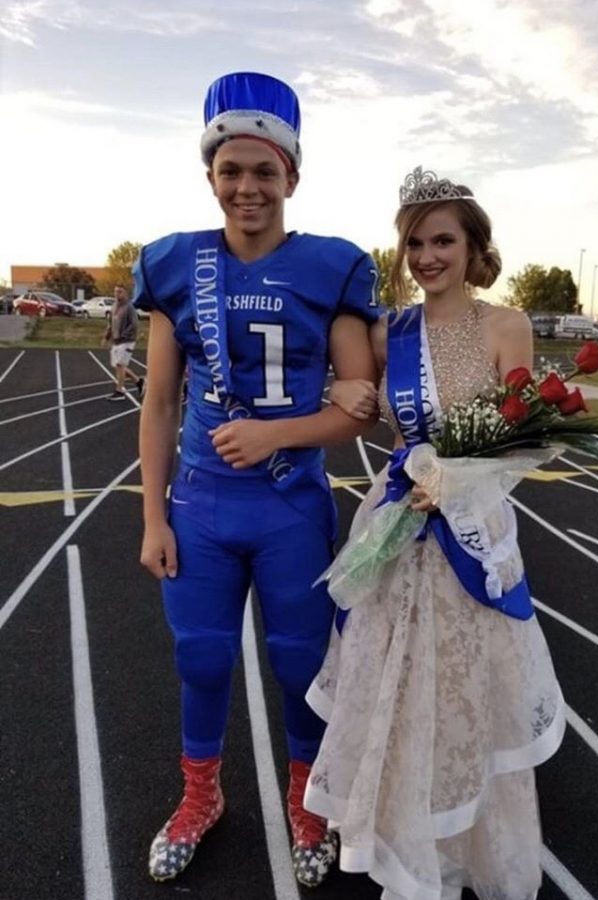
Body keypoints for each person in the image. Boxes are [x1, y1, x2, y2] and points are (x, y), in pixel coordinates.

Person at [134, 71, 379, 887]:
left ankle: (307, 800)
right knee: (201, 659)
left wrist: (276, 431)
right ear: (210, 176)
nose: (247, 187)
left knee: (301, 662)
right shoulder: (174, 265)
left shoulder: (334, 267)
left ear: (292, 178)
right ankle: (200, 796)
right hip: (200, 503)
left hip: (288, 501)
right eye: (231, 171)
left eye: (264, 172)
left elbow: (359, 408)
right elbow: (161, 400)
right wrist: (153, 518)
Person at [304, 166, 565, 900]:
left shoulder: (507, 324)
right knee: (393, 688)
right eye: (415, 242)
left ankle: (462, 845)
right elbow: (350, 391)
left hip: (469, 531)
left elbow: (525, 439)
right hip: (397, 526)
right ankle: (398, 840)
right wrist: (339, 388)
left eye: (443, 240)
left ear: (473, 245)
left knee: (461, 694)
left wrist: (455, 484)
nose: (427, 257)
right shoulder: (389, 331)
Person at [103, 284, 145, 400]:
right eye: (116, 292)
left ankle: (119, 391)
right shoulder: (114, 306)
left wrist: (123, 335)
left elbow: (134, 325)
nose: (117, 294)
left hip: (127, 341)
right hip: (116, 341)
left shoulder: (129, 307)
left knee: (120, 365)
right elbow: (110, 323)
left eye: (120, 292)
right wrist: (107, 337)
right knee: (118, 367)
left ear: (125, 293)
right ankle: (139, 381)